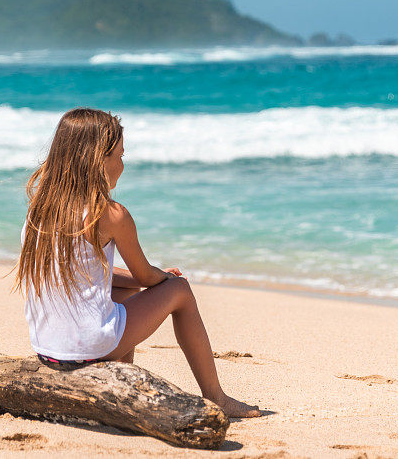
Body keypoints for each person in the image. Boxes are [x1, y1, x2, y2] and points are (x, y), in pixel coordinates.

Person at [14, 107, 261, 418]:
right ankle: (216, 396)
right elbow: (146, 274)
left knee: (122, 294)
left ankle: (117, 385)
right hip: (91, 348)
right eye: (119, 155)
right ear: (97, 160)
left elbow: (84, 272)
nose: (122, 164)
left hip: (49, 352)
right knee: (182, 292)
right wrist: (163, 280)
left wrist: (140, 280)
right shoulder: (111, 213)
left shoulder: (40, 210)